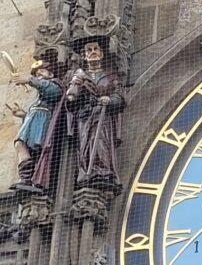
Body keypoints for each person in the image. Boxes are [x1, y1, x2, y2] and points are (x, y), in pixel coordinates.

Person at [66, 40, 125, 193]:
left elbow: (120, 97)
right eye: (89, 50)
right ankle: (88, 172)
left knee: (99, 140)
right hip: (85, 116)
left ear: (102, 54)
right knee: (85, 144)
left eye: (95, 49)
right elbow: (71, 101)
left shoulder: (110, 77)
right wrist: (74, 87)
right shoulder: (79, 76)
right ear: (84, 56)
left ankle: (103, 171)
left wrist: (109, 100)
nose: (93, 52)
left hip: (103, 114)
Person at [7, 60, 63, 191]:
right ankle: (26, 178)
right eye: (36, 74)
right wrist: (23, 114)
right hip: (33, 120)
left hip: (43, 121)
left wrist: (30, 80)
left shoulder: (55, 85)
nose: (39, 75)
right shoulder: (38, 97)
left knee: (35, 149)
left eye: (42, 71)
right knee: (20, 144)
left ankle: (33, 180)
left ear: (50, 74)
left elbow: (54, 92)